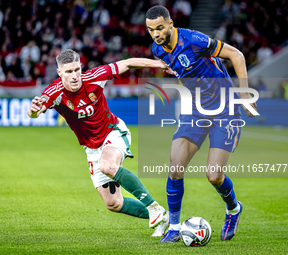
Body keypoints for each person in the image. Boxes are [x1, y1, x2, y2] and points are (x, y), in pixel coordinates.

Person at [28, 49, 175, 236]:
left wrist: (161, 64)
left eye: (77, 70)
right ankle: (165, 217)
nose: (74, 76)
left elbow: (128, 63)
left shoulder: (95, 77)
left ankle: (153, 207)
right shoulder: (54, 92)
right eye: (68, 72)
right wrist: (33, 110)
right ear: (59, 73)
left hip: (112, 132)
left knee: (107, 166)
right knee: (113, 203)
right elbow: (35, 112)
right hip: (91, 148)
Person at [145, 6, 257, 242]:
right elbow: (179, 66)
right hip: (195, 109)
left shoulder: (194, 40)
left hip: (224, 109)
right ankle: (174, 227)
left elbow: (236, 55)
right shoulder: (158, 49)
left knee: (214, 176)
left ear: (171, 24)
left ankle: (233, 209)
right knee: (175, 167)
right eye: (150, 29)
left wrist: (244, 94)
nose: (155, 34)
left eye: (159, 28)